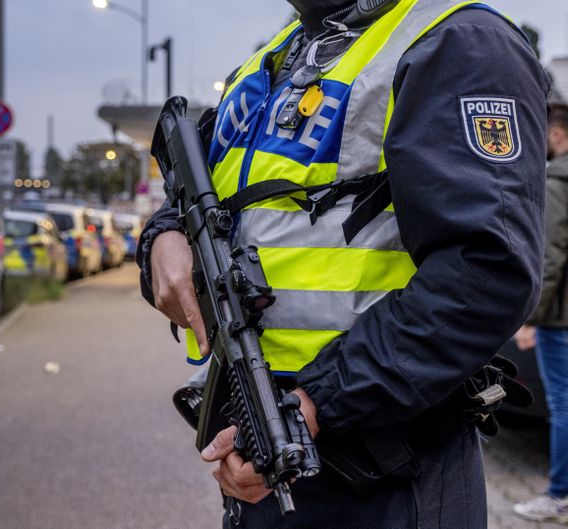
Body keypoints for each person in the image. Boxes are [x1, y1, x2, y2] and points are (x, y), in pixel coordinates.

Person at [137, 0, 549, 527]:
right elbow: (207, 198)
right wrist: (162, 234)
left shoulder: (458, 41)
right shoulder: (275, 58)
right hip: (264, 442)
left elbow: (486, 273)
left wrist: (318, 401)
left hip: (383, 468)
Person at [513, 104, 568, 525]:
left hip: (559, 318)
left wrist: (531, 316)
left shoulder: (557, 178)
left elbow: (549, 257)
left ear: (556, 134)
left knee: (563, 407)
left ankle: (559, 495)